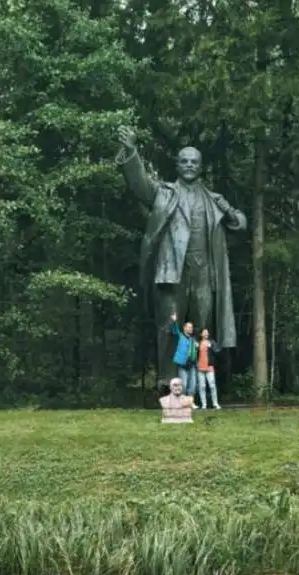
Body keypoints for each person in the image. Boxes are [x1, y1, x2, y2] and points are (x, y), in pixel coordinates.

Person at [115, 125, 247, 388]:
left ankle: (199, 380)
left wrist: (229, 211)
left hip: (203, 274)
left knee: (202, 330)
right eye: (184, 161)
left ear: (200, 167)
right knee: (169, 328)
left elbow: (240, 225)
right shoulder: (164, 192)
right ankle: (167, 380)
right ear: (177, 165)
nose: (189, 165)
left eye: (194, 162)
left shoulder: (213, 198)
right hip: (171, 273)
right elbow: (139, 185)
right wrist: (131, 151)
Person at [169, 313, 198, 399]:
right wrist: (174, 321)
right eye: (189, 327)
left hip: (192, 364)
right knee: (184, 384)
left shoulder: (193, 339)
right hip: (183, 364)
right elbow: (175, 330)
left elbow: (195, 352)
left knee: (192, 385)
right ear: (184, 328)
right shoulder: (180, 336)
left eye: (191, 327)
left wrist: (197, 346)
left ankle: (190, 402)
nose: (190, 328)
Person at [196, 328, 221, 409]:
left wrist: (211, 347)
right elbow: (195, 355)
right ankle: (204, 404)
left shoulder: (212, 342)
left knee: (212, 385)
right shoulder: (198, 343)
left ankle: (215, 403)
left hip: (209, 367)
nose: (206, 333)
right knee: (202, 386)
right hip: (200, 367)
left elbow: (217, 352)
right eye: (204, 332)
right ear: (201, 334)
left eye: (207, 332)